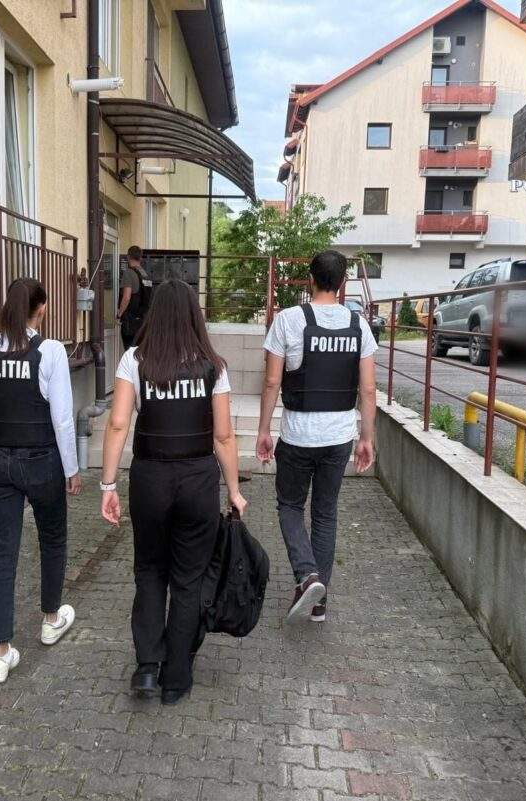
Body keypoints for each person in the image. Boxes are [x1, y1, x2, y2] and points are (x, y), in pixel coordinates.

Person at [100, 279, 247, 705]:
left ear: (155, 315)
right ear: (193, 316)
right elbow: (223, 436)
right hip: (198, 481)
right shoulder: (213, 366)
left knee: (150, 571)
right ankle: (177, 677)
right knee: (188, 579)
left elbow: (118, 424)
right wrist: (234, 490)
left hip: (150, 479)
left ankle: (147, 667)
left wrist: (108, 485)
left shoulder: (134, 360)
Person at [0, 277, 82, 684]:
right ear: (41, 308)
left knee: (3, 553)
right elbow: (62, 418)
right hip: (41, 461)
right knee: (53, 539)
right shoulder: (50, 351)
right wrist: (71, 469)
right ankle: (50, 619)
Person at [256, 250, 377, 623]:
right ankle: (318, 601)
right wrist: (366, 437)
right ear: (342, 283)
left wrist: (263, 429)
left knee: (290, 506)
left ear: (310, 279)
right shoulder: (358, 325)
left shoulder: (288, 320)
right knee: (325, 513)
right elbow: (368, 389)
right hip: (339, 437)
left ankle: (308, 575)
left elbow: (272, 381)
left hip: (297, 435)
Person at [117, 245, 152, 350]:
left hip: (131, 323)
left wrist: (119, 314)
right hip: (144, 322)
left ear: (128, 257)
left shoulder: (129, 273)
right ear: (140, 258)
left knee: (130, 352)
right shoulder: (146, 275)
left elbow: (127, 297)